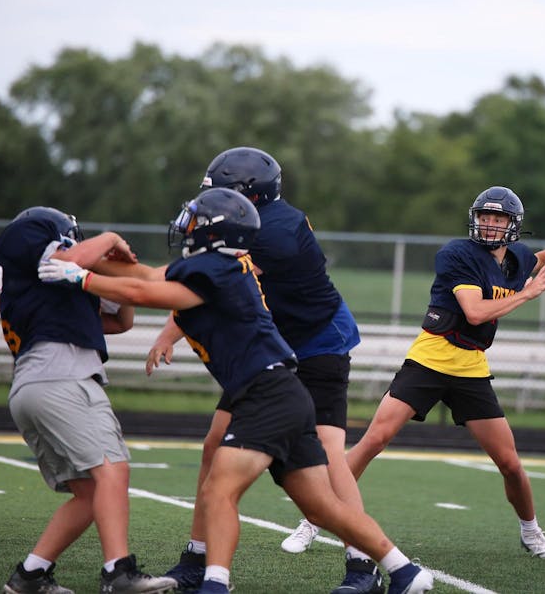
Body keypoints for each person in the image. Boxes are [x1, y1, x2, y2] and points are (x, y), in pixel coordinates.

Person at [38, 188, 434, 594]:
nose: (186, 225)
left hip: (266, 392)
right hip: (279, 389)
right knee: (320, 505)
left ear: (215, 232)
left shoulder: (215, 270)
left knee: (219, 488)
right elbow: (146, 277)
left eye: (195, 220)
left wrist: (83, 277)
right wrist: (104, 263)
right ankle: (403, 570)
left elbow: (147, 293)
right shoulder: (220, 265)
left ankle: (214, 584)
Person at [345, 185, 545, 560]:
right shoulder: (457, 254)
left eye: (498, 219)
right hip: (431, 358)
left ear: (512, 225)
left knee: (510, 463)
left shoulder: (513, 258)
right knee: (374, 439)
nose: (490, 225)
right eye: (485, 217)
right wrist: (527, 295)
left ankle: (531, 533)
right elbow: (475, 312)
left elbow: (540, 256)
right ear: (475, 219)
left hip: (472, 365)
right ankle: (318, 516)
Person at [147, 147, 378, 594]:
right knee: (215, 444)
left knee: (329, 456)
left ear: (248, 196)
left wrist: (88, 274)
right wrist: (167, 334)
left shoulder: (272, 232)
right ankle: (197, 557)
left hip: (317, 344)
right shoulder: (252, 224)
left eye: (222, 197)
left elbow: (190, 278)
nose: (210, 209)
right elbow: (208, 285)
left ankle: (363, 565)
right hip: (270, 346)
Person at [0, 206, 177, 594]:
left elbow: (120, 321)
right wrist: (108, 238)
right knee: (113, 470)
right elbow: (67, 259)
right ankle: (118, 573)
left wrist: (111, 270)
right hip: (61, 374)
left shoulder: (48, 296)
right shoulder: (29, 238)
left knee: (91, 495)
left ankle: (31, 575)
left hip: (38, 382)